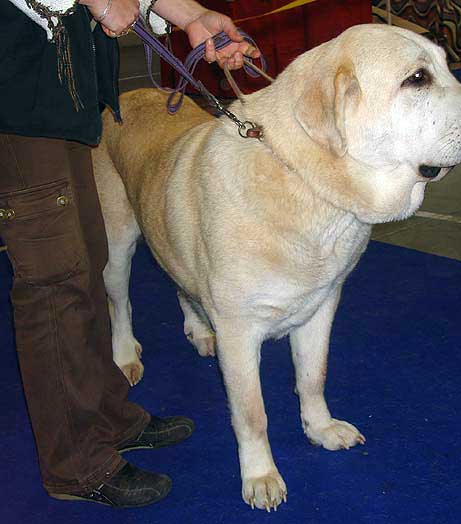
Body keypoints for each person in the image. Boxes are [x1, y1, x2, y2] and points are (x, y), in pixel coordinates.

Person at [0, 0, 258, 509]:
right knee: (54, 282)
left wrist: (188, 17)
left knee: (86, 261)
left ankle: (107, 416)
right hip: (17, 95)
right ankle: (75, 465)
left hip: (65, 93)